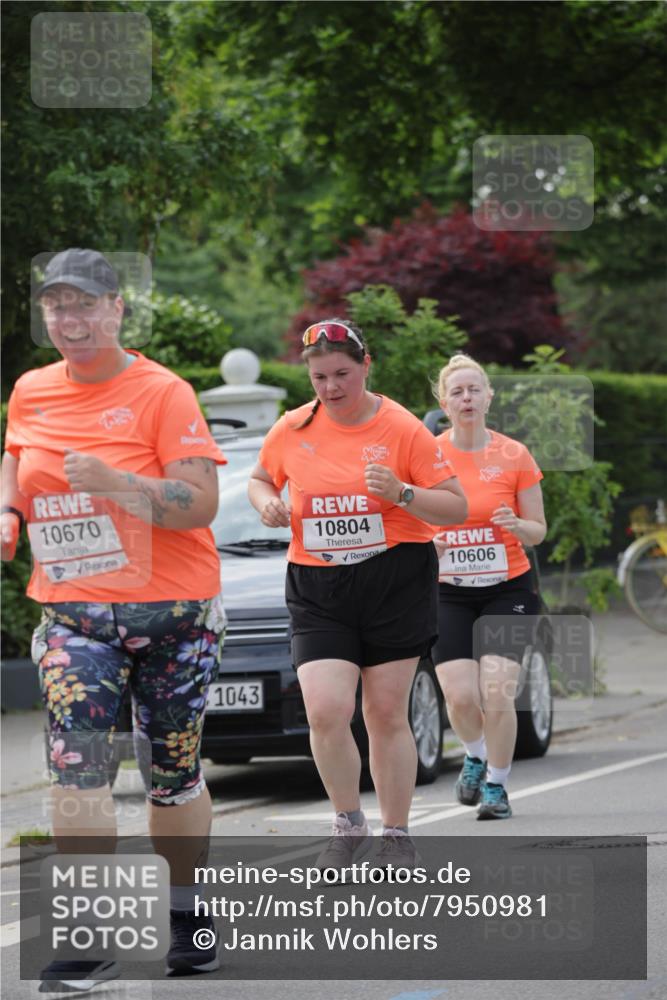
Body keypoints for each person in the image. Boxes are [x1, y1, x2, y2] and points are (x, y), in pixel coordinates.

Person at [1, 249, 227, 989]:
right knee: (79, 770)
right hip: (75, 618)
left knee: (172, 777)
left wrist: (117, 482)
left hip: (174, 617)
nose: (70, 319)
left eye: (85, 304)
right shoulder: (31, 389)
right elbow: (16, 457)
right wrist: (8, 511)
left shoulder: (163, 393)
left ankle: (186, 913)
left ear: (116, 309)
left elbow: (199, 504)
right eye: (56, 306)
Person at [248, 319, 467, 868]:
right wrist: (266, 503)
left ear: (366, 366)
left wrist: (402, 492)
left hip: (394, 577)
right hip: (318, 583)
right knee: (325, 710)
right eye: (319, 377)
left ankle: (396, 834)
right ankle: (348, 824)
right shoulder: (292, 427)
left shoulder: (402, 428)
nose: (330, 387)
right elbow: (260, 478)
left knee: (385, 712)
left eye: (342, 374)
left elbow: (455, 506)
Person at [431, 353, 547, 820]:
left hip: (507, 589)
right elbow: (407, 520)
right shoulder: (428, 454)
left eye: (474, 389)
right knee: (460, 695)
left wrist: (517, 525)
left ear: (489, 397)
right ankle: (476, 754)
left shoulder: (514, 455)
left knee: (497, 691)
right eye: (457, 392)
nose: (466, 398)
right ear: (444, 402)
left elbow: (538, 530)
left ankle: (497, 786)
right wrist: (429, 543)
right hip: (447, 590)